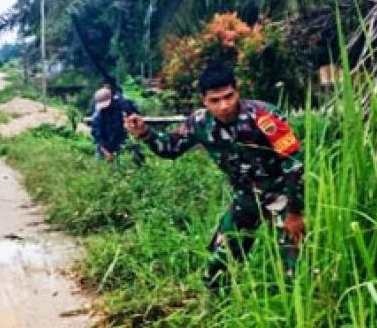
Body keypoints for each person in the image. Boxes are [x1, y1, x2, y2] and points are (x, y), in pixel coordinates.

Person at [124, 63, 305, 289]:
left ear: (237, 91)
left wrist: (295, 212)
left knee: (295, 269)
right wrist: (145, 134)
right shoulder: (199, 123)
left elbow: (294, 163)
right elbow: (170, 148)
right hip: (245, 198)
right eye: (215, 100)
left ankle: (297, 301)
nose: (224, 106)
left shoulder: (264, 117)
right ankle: (218, 303)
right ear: (204, 100)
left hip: (281, 195)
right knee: (218, 265)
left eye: (229, 96)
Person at [91, 86, 136, 161]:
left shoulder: (123, 107)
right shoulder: (97, 117)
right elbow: (97, 137)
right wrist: (106, 152)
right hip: (105, 146)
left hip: (123, 143)